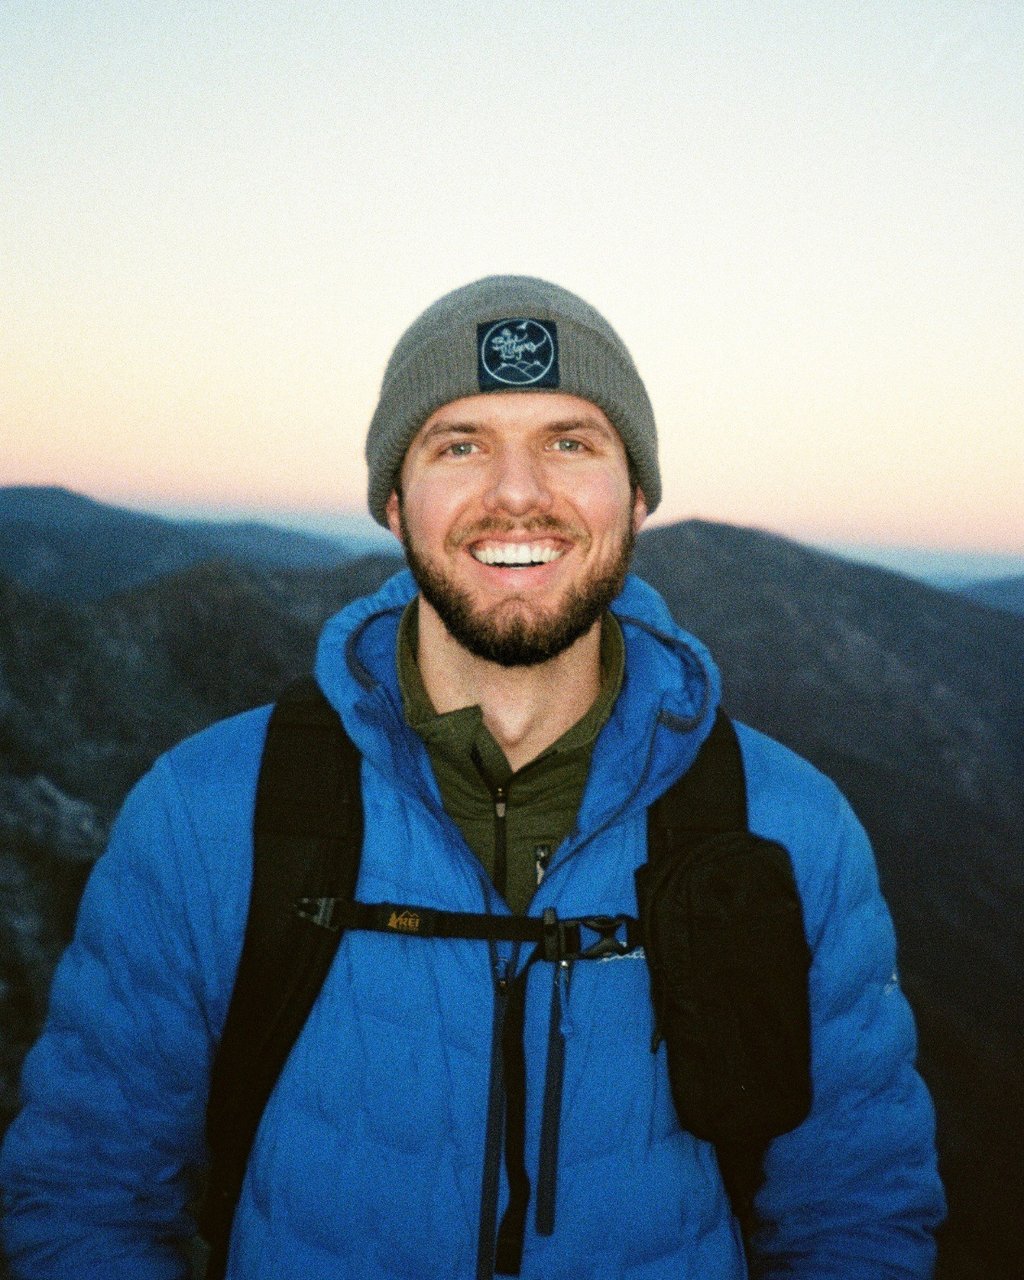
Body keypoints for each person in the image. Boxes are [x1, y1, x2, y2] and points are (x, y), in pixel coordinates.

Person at [0, 277, 944, 1278]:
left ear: (636, 494)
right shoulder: (208, 813)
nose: (517, 492)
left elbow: (856, 1212)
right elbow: (85, 1193)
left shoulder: (787, 825)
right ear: (396, 500)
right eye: (460, 443)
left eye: (569, 440)